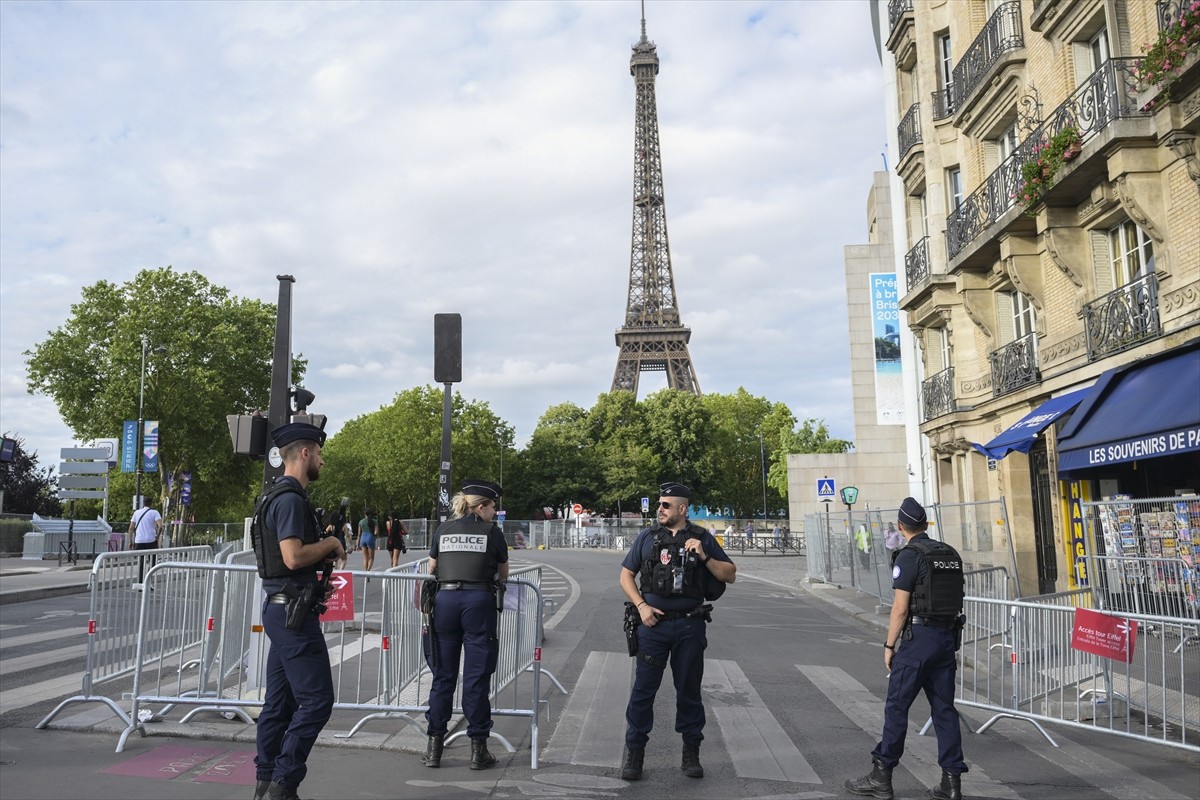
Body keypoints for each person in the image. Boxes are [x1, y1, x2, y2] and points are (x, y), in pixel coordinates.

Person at [845, 497, 968, 800]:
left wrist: (889, 645)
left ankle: (881, 775)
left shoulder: (909, 557)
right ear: (925, 524)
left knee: (897, 706)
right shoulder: (949, 554)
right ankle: (951, 783)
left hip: (919, 640)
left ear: (900, 527)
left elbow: (900, 609)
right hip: (946, 639)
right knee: (944, 710)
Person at [251, 423, 346, 800]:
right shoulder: (290, 499)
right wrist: (330, 543)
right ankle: (284, 783)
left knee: (279, 702)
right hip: (292, 613)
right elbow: (292, 558)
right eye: (320, 453)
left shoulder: (276, 496)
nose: (322, 460)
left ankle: (265, 782)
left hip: (281, 609)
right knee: (318, 701)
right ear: (305, 454)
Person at [619, 482, 736, 782]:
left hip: (689, 626)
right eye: (659, 504)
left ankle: (691, 753)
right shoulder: (647, 537)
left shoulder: (701, 537)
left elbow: (730, 574)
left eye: (666, 505)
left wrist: (705, 556)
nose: (660, 509)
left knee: (688, 691)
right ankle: (634, 753)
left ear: (682, 509)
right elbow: (625, 575)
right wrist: (642, 606)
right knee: (643, 692)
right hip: (652, 627)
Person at [422, 478, 510, 771]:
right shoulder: (491, 532)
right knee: (475, 678)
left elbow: (432, 567)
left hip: (444, 603)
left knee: (443, 677)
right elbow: (503, 572)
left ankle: (434, 748)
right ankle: (478, 750)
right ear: (481, 507)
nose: (494, 513)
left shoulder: (444, 529)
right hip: (477, 603)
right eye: (493, 508)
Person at [127, 498, 162, 586]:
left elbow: (131, 528)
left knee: (141, 562)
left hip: (139, 541)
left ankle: (140, 582)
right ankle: (148, 581)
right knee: (152, 562)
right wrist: (157, 537)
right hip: (151, 540)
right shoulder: (155, 512)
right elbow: (161, 526)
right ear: (151, 503)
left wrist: (130, 541)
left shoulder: (136, 512)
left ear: (143, 503)